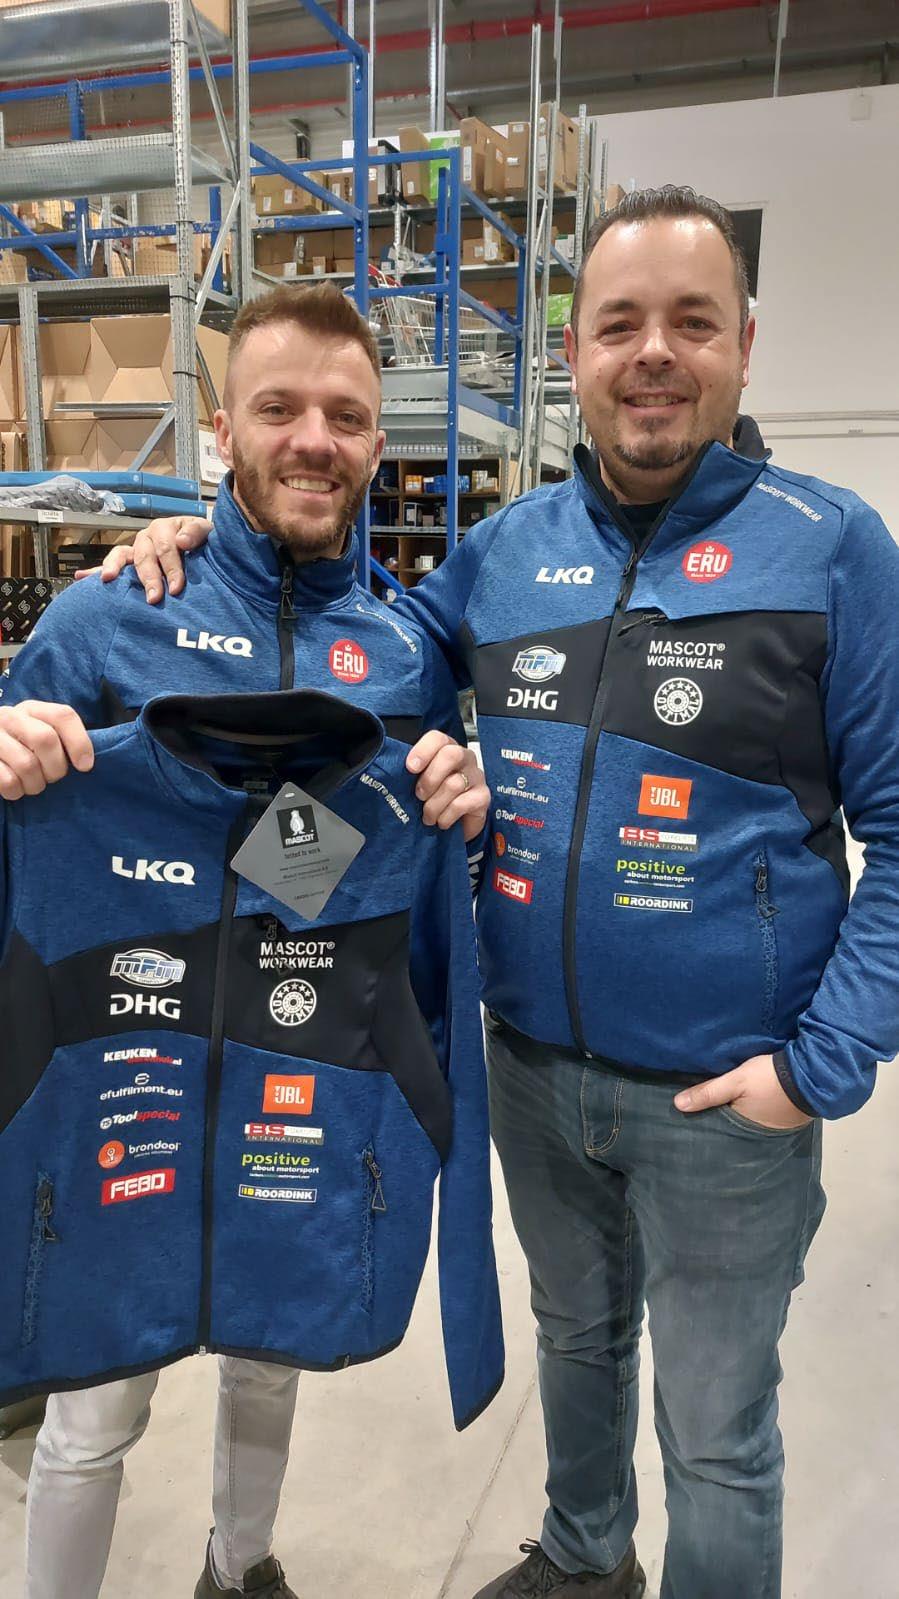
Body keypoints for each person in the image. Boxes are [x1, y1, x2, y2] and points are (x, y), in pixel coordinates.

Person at [13, 184, 899, 1599]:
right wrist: (156, 564)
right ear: (571, 353)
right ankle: (584, 1562)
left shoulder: (830, 547)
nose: (652, 353)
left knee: (714, 1435)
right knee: (567, 1349)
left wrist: (818, 1070)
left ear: (746, 343)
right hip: (499, 1073)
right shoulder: (487, 557)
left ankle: (295, 1568)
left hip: (719, 1093)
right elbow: (311, 762)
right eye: (619, 323)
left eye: (691, 322)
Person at [0, 283, 491, 1599]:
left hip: (296, 1062)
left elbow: (380, 869)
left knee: (273, 1354)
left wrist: (453, 808)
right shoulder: (109, 614)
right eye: (279, 408)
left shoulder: (405, 651)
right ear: (224, 428)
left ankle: (241, 1566)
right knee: (95, 1406)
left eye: (346, 416)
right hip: (126, 1072)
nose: (312, 439)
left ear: (377, 441)